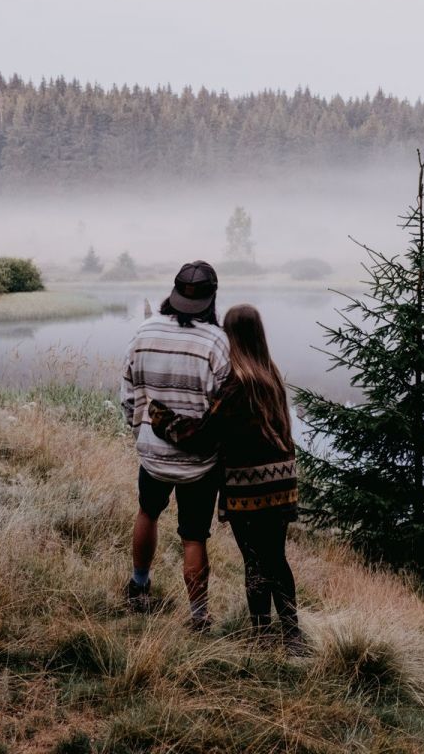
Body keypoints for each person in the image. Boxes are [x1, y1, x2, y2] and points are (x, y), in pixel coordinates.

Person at [149, 304, 305, 652]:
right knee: (276, 557)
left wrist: (161, 418)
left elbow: (203, 435)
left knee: (254, 561)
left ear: (229, 336)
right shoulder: (271, 375)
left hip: (248, 487)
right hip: (280, 484)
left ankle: (262, 636)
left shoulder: (236, 383)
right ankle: (293, 636)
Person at [120, 260, 229, 630]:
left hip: (152, 454)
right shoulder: (217, 342)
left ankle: (139, 586)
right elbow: (224, 406)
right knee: (194, 535)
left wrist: (143, 435)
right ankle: (198, 617)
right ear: (212, 298)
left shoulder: (144, 332)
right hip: (199, 463)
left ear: (174, 294)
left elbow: (128, 394)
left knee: (147, 512)